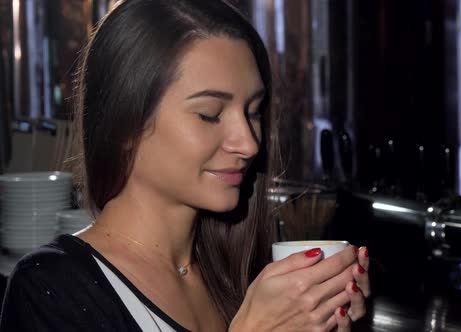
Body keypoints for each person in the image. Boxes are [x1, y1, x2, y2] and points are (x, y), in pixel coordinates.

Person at [0, 0, 370, 331]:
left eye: (253, 112)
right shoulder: (50, 288)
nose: (249, 143)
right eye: (209, 114)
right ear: (125, 123)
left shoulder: (236, 274)